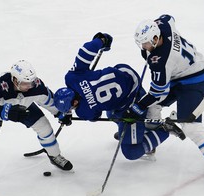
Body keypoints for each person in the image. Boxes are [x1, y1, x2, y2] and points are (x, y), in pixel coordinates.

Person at [125, 14, 204, 190]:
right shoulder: (163, 26)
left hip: (194, 81)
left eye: (146, 43)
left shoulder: (160, 61)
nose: (144, 47)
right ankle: (150, 146)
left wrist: (138, 106)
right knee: (152, 107)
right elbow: (168, 17)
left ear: (156, 39)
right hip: (181, 72)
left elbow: (157, 92)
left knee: (191, 126)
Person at [54, 32, 184, 162]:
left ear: (75, 101)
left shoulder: (84, 111)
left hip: (132, 105)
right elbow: (84, 53)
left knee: (131, 152)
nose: (72, 109)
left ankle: (165, 129)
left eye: (71, 107)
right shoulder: (72, 78)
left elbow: (95, 116)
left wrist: (73, 112)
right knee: (112, 114)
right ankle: (135, 131)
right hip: (127, 73)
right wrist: (101, 41)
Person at [0, 60, 73, 172]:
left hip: (23, 107)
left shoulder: (36, 86)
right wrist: (5, 112)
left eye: (31, 82)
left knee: (44, 127)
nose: (29, 86)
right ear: (14, 79)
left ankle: (54, 155)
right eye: (25, 83)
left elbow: (48, 100)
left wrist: (61, 113)